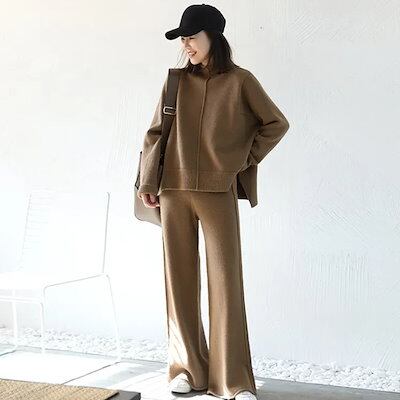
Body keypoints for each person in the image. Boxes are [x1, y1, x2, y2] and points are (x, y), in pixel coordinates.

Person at [137, 4, 290, 400]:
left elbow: (276, 124)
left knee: (225, 283)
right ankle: (187, 369)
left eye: (191, 37)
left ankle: (233, 379)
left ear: (213, 36)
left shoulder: (241, 81)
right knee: (179, 282)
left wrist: (243, 160)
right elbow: (156, 133)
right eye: (183, 39)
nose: (185, 45)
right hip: (172, 191)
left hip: (217, 191)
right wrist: (147, 181)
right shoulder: (175, 82)